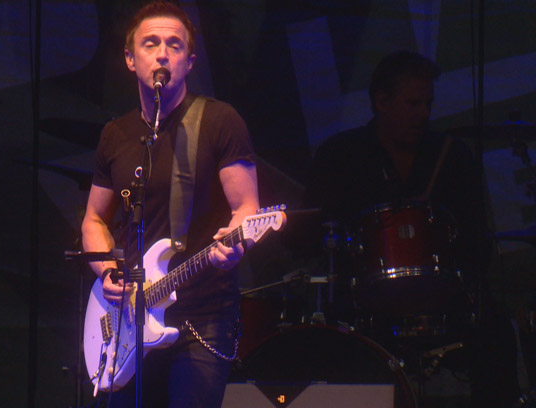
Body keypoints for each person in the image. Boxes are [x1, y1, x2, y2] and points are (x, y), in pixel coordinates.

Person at [301, 50, 521, 408]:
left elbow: (475, 236)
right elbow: (311, 235)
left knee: (494, 330)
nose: (423, 114)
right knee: (326, 340)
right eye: (413, 103)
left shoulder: (451, 156)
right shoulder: (341, 156)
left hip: (444, 298)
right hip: (363, 303)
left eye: (428, 104)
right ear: (381, 101)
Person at [80, 2, 259, 407]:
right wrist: (107, 270)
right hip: (128, 318)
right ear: (130, 58)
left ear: (190, 61)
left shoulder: (219, 121)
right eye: (151, 43)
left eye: (175, 45)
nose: (163, 53)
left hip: (203, 314)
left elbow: (247, 208)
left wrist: (237, 245)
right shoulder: (116, 135)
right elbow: (94, 218)